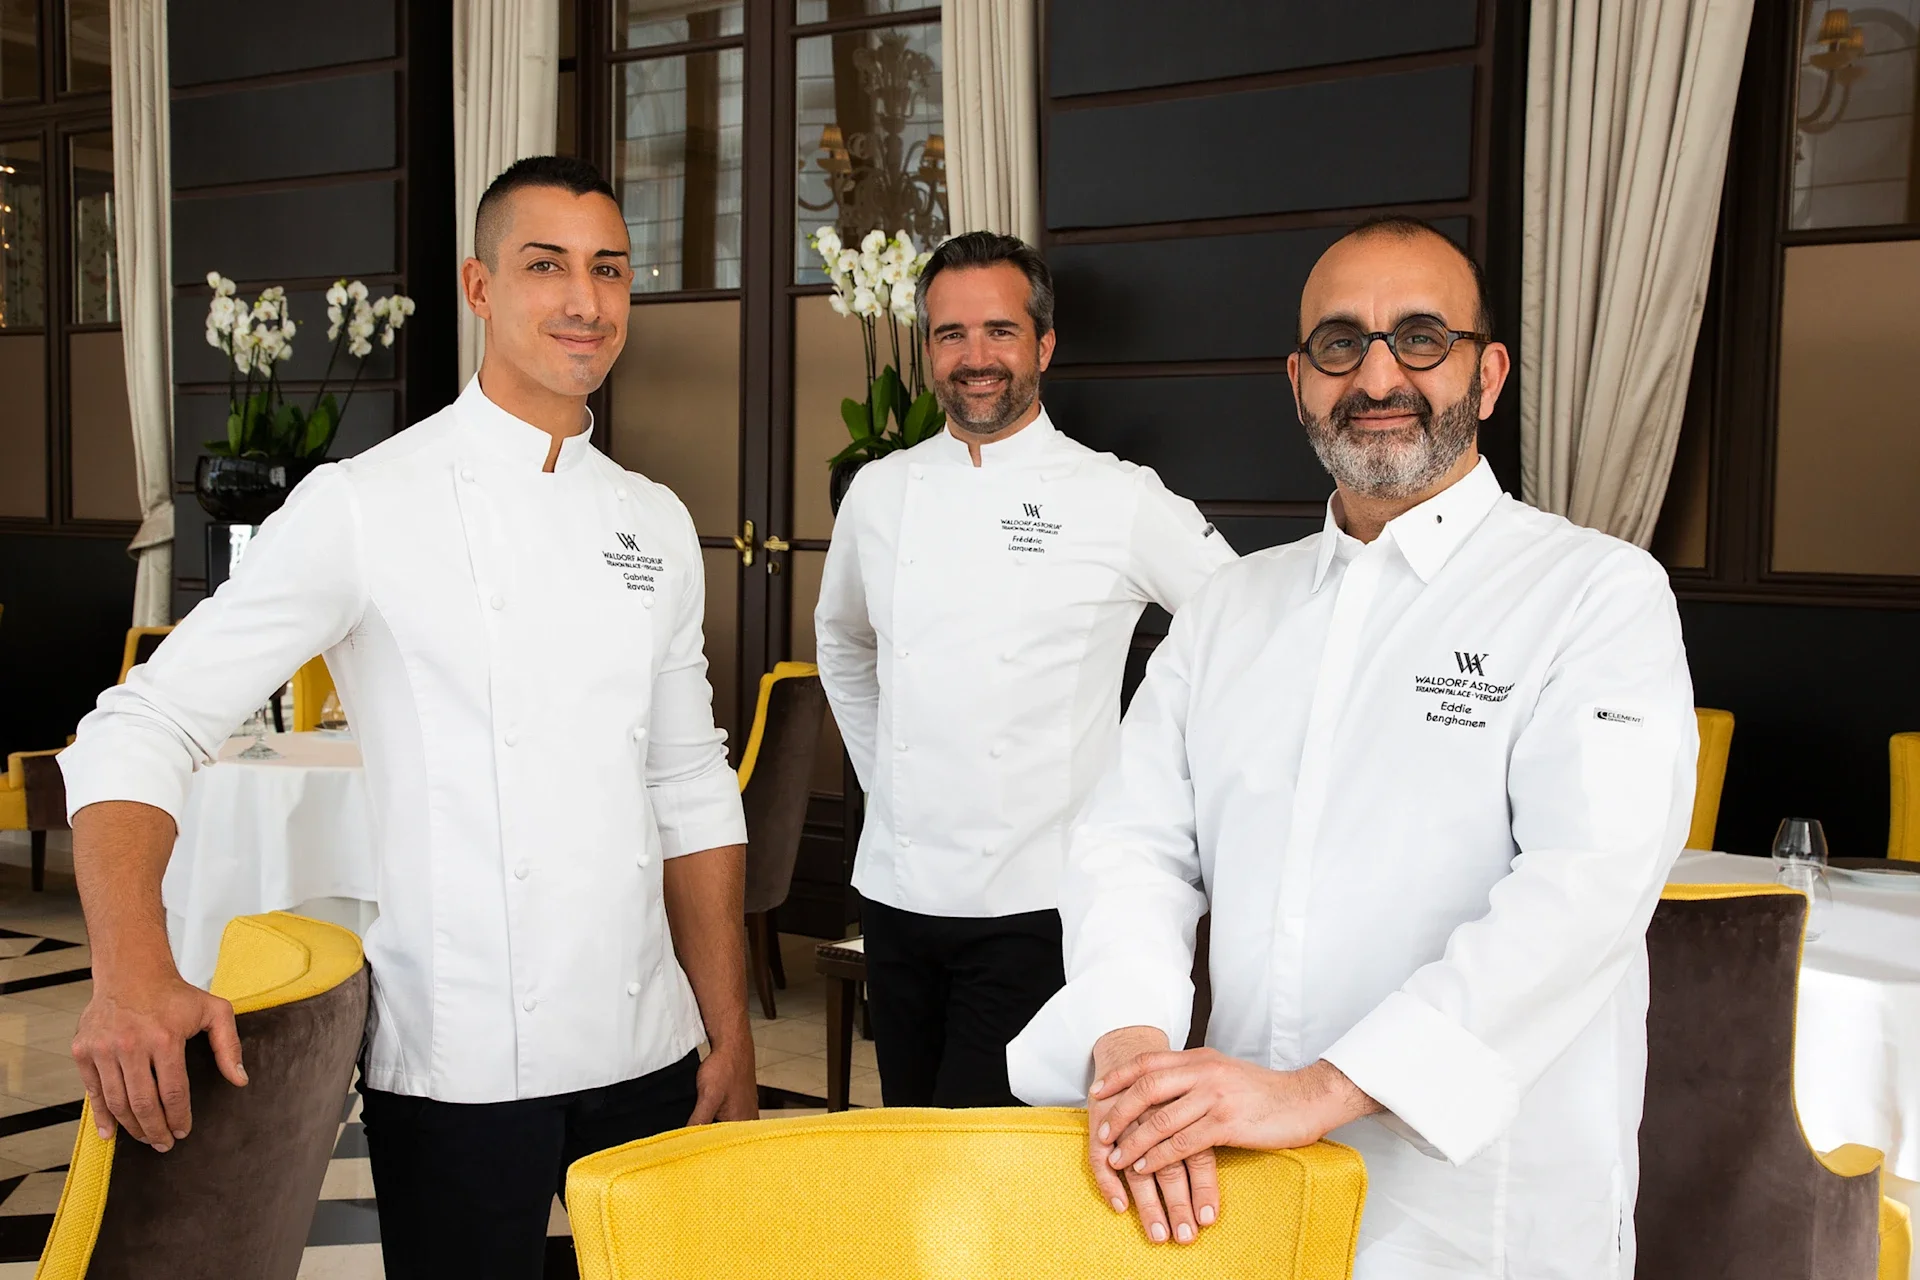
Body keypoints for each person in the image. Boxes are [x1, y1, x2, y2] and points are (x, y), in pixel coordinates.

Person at [57, 156, 757, 1278]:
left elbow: (687, 779)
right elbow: (139, 725)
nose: (585, 299)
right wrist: (132, 965)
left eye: (609, 269)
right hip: (461, 1059)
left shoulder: (656, 522)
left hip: (651, 1043)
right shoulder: (365, 505)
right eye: (546, 266)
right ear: (480, 289)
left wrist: (727, 1025)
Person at [1006, 217, 1697, 1278]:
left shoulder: (1596, 594)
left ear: (1489, 370)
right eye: (1340, 343)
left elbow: (1582, 891)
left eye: (1420, 336)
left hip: (1479, 1207)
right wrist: (1132, 1033)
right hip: (1238, 1180)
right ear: (1299, 380)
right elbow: (1130, 842)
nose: (1378, 373)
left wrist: (1319, 1089)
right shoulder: (1235, 605)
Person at [815, 231, 1237, 1108]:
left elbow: (1242, 625)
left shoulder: (1117, 497)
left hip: (1041, 906)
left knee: (991, 1182)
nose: (976, 359)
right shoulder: (880, 492)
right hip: (898, 897)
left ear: (1043, 345)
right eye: (951, 335)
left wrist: (1153, 789)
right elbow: (844, 647)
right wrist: (888, 778)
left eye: (1000, 332)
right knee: (910, 1148)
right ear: (928, 348)